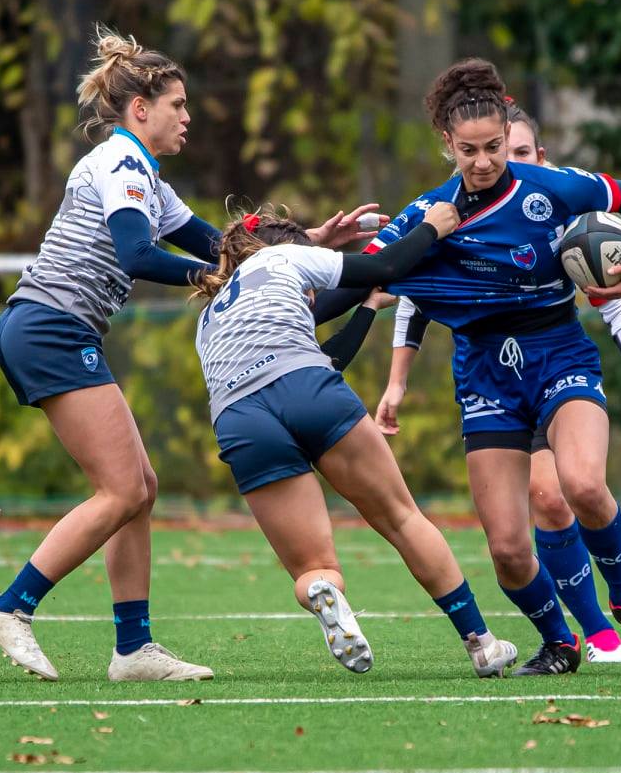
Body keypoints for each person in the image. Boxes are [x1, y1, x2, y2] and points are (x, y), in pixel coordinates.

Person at [0, 28, 374, 683]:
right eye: (177, 105)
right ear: (140, 109)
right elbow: (137, 253)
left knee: (139, 489)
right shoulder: (122, 162)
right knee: (122, 489)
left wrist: (304, 242)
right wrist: (212, 277)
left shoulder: (148, 179)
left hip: (56, 330)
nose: (187, 117)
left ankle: (133, 649)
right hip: (48, 328)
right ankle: (12, 606)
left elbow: (222, 244)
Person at [327, 58, 621, 676]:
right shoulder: (427, 216)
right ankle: (560, 643)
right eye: (469, 151)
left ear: (507, 136)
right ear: (447, 144)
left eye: (493, 147)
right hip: (485, 375)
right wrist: (287, 291)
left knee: (582, 485)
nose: (484, 161)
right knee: (509, 551)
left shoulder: (550, 188)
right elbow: (359, 282)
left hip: (558, 353)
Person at [192, 208, 519, 677]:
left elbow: (319, 356)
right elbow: (383, 266)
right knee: (401, 518)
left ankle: (324, 591)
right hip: (306, 388)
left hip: (240, 419)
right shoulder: (287, 257)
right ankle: (482, 645)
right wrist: (434, 227)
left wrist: (366, 309)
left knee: (313, 567)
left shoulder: (209, 318)